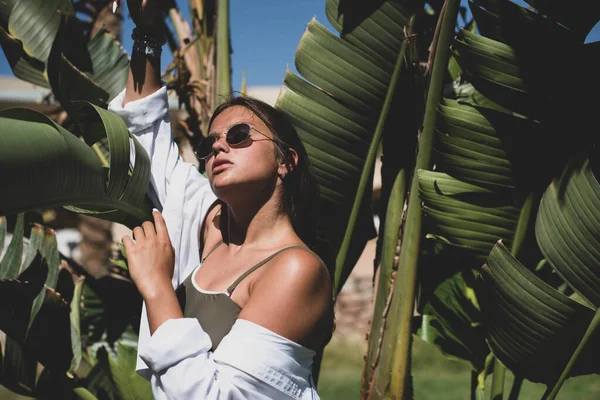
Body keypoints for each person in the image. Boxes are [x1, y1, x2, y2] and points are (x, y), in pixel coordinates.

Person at [107, 1, 334, 399]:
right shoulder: (207, 218)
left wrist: (158, 287)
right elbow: (144, 133)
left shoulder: (296, 270)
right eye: (209, 144)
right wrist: (146, 29)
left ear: (286, 161)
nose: (218, 149)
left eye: (239, 136)